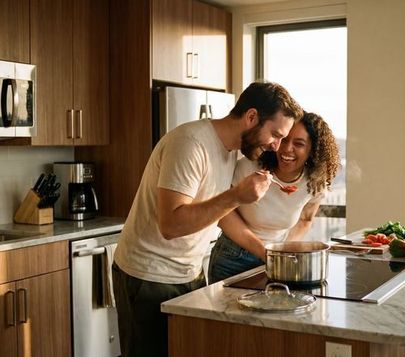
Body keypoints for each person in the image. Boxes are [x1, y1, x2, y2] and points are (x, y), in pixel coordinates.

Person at [112, 81, 303, 357]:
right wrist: (237, 196)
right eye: (275, 135)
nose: (276, 146)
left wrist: (267, 252)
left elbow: (219, 217)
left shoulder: (229, 152)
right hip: (148, 275)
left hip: (189, 273)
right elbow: (171, 225)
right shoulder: (190, 143)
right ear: (251, 117)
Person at [208, 112, 340, 284]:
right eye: (284, 140)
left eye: (299, 144)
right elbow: (224, 215)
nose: (286, 149)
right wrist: (266, 252)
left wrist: (281, 251)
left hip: (275, 259)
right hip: (233, 258)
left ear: (312, 151)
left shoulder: (315, 183)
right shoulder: (250, 166)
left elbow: (305, 219)